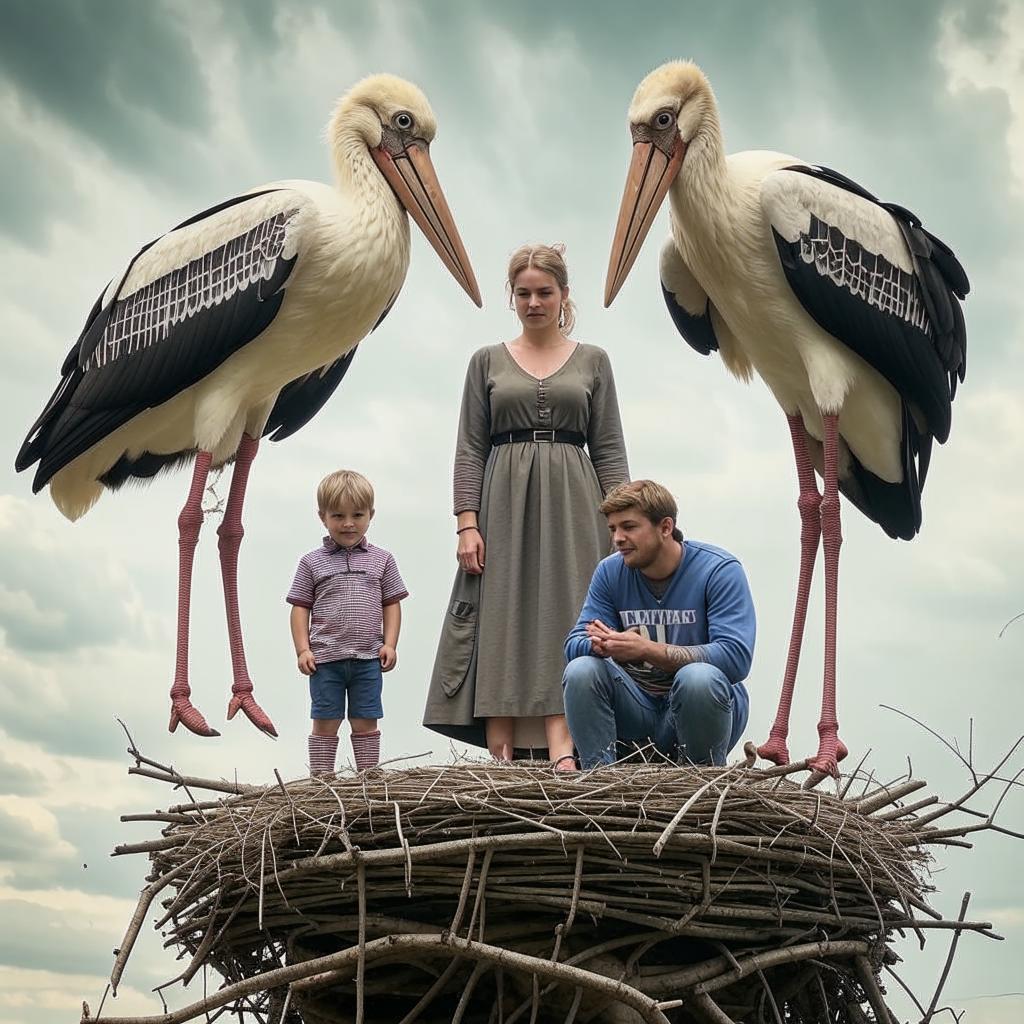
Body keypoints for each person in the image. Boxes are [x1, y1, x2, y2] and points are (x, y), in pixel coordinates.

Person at [424, 243, 630, 767]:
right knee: (501, 613)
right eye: (524, 293)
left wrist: (622, 525)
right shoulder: (486, 361)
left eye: (544, 292)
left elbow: (608, 449)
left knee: (570, 611)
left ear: (563, 296)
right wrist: (466, 524)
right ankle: (502, 748)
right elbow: (470, 446)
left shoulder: (595, 361)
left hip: (576, 501)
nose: (534, 302)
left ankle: (565, 746)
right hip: (501, 501)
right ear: (511, 298)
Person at [563, 480, 755, 770]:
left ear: (665, 527)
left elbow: (735, 657)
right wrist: (601, 644)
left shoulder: (719, 570)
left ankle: (699, 778)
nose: (618, 538)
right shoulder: (609, 572)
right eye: (613, 529)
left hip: (696, 710)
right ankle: (600, 779)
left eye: (629, 527)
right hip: (636, 710)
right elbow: (574, 642)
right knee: (581, 669)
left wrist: (648, 650)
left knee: (699, 679)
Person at [286, 469, 408, 775]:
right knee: (325, 721)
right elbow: (300, 608)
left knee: (366, 719)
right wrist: (303, 650)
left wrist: (390, 644)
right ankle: (322, 782)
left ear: (371, 515)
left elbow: (391, 603)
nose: (348, 523)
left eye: (357, 514)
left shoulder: (382, 559)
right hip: (325, 660)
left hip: (368, 658)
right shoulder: (311, 562)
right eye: (338, 515)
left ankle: (368, 778)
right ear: (322, 516)